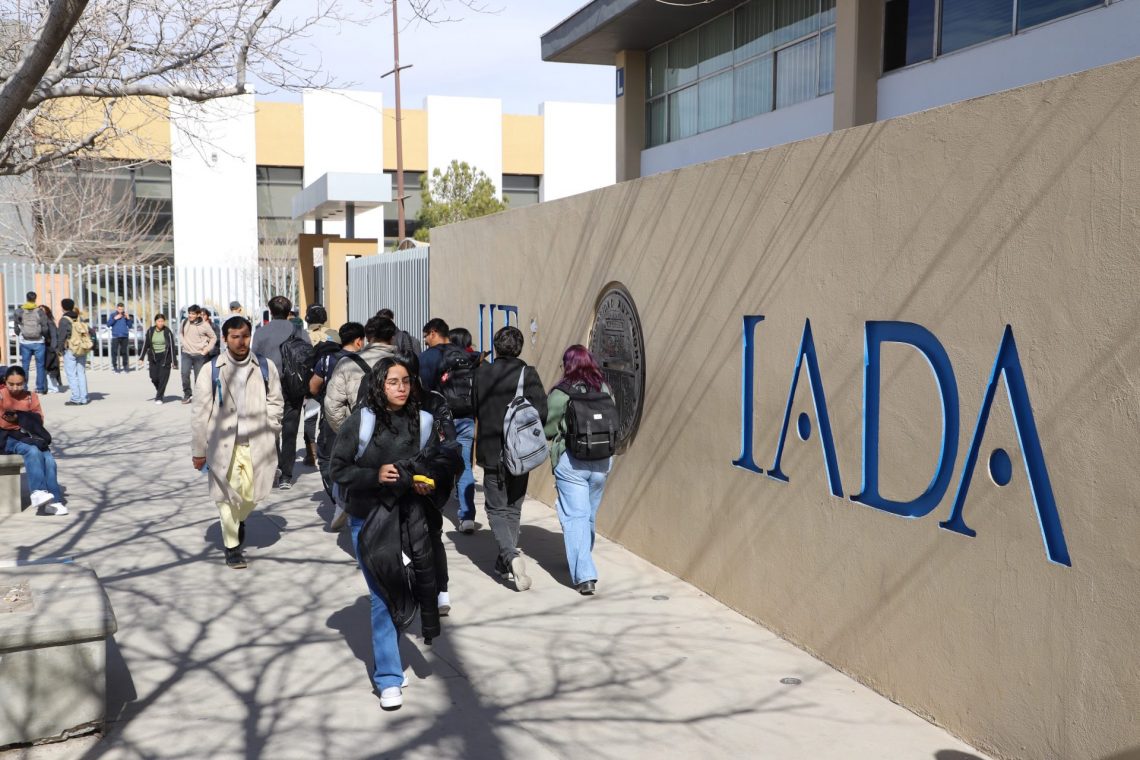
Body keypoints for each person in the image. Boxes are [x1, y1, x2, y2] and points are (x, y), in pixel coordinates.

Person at [329, 356, 457, 710]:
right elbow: (337, 468)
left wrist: (428, 483)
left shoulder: (424, 421)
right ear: (378, 385)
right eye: (393, 382)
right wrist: (374, 475)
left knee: (411, 589)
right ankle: (388, 677)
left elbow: (436, 463)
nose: (401, 388)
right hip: (369, 522)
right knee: (383, 596)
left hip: (410, 519)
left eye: (406, 381)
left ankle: (391, 655)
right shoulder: (362, 421)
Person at [191, 317, 284, 569]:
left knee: (252, 496)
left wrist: (272, 425)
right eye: (235, 337)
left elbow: (276, 400)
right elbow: (200, 413)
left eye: (245, 336)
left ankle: (239, 518)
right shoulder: (211, 369)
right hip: (223, 445)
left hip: (257, 442)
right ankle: (232, 547)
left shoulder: (265, 366)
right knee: (225, 497)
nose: (241, 342)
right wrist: (198, 450)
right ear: (224, 339)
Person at [473, 325, 547, 591]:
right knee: (513, 507)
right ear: (520, 348)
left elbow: (474, 408)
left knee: (496, 509)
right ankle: (507, 557)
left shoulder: (482, 373)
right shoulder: (528, 374)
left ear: (495, 347)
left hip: (491, 450)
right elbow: (542, 412)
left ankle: (508, 558)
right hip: (521, 452)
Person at [543, 346, 615, 596]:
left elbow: (549, 429)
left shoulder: (562, 392)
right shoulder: (604, 388)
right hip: (602, 461)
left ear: (567, 364)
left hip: (572, 462)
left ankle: (585, 575)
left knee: (575, 516)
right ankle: (583, 556)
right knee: (589, 514)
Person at [323, 316, 398, 530]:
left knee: (360, 505)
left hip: (361, 440)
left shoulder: (348, 364)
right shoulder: (404, 363)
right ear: (392, 337)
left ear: (367, 337)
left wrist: (349, 434)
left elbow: (333, 406)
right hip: (397, 438)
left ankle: (349, 510)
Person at [421, 319, 478, 534]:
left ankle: (433, 512)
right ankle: (467, 516)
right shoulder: (464, 354)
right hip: (466, 417)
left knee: (435, 464)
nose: (425, 340)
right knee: (464, 465)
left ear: (434, 332)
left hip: (440, 420)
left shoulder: (428, 357)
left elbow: (424, 390)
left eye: (426, 336)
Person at [251, 295, 305, 489]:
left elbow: (254, 359)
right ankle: (286, 476)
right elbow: (308, 356)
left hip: (268, 386)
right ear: (289, 312)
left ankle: (274, 467)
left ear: (270, 311)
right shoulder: (299, 331)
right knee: (290, 430)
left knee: (270, 427)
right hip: (294, 386)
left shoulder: (261, 332)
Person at [0, 367, 66, 515]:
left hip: (28, 436)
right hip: (6, 438)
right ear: (5, 381)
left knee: (49, 459)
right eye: (11, 384)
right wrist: (25, 418)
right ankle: (37, 492)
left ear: (25, 381)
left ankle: (54, 502)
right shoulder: (1, 395)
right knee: (32, 450)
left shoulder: (31, 396)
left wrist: (17, 418)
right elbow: (3, 424)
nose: (15, 388)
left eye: (19, 384)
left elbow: (39, 420)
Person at [311, 322, 362, 504]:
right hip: (361, 418)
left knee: (326, 458)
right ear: (359, 341)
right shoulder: (365, 359)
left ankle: (338, 497)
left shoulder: (327, 360)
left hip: (331, 417)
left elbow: (313, 387)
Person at [14, 291, 51, 394]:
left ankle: (24, 387)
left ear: (27, 298)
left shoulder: (19, 311)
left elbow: (16, 327)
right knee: (40, 366)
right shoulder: (40, 312)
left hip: (25, 342)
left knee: (25, 366)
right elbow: (45, 328)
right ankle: (40, 388)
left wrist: (21, 334)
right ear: (35, 299)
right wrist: (46, 337)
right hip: (39, 342)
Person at [180, 305, 217, 404]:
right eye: (189, 313)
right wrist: (184, 343)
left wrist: (206, 350)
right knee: (184, 374)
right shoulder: (185, 322)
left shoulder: (205, 325)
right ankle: (187, 394)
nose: (190, 315)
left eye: (193, 314)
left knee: (199, 378)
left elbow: (213, 338)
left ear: (198, 315)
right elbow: (180, 333)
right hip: (186, 353)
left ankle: (198, 396)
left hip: (199, 355)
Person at [58, 299, 90, 406]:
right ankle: (84, 398)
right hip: (82, 348)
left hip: (70, 349)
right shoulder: (79, 317)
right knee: (81, 373)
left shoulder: (64, 320)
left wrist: (59, 350)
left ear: (63, 307)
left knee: (71, 374)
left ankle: (76, 398)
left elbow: (61, 337)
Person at [140, 313, 178, 404]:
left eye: (162, 321)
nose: (161, 323)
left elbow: (172, 347)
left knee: (163, 377)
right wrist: (141, 358)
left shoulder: (167, 332)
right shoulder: (150, 331)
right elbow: (146, 344)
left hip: (165, 357)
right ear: (155, 322)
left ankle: (159, 397)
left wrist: (174, 361)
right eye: (159, 321)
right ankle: (160, 391)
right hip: (153, 357)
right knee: (153, 377)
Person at [106, 302, 134, 373]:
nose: (120, 311)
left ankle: (125, 366)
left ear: (123, 309)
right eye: (119, 309)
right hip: (115, 336)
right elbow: (108, 324)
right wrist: (115, 318)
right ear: (117, 308)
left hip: (124, 336)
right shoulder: (113, 315)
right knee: (114, 352)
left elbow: (130, 326)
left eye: (122, 309)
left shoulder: (125, 315)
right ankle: (115, 367)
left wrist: (128, 318)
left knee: (124, 352)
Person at [41, 306, 62, 394]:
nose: (40, 312)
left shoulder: (49, 322)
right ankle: (47, 386)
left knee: (51, 368)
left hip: (50, 348)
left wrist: (53, 348)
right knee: (46, 368)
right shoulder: (41, 322)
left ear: (47, 312)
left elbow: (54, 335)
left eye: (42, 310)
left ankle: (53, 387)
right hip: (44, 347)